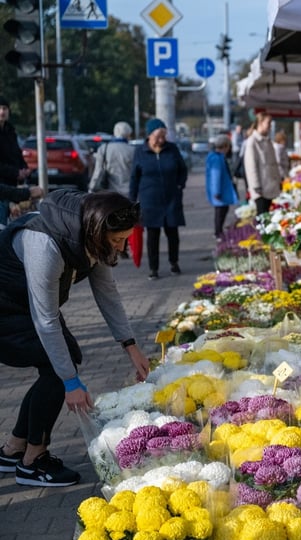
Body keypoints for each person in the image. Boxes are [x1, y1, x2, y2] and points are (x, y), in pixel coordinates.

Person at [0, 189, 150, 487]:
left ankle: (13, 449)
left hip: (25, 304)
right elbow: (45, 321)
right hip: (6, 307)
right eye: (117, 240)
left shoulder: (93, 236)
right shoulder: (45, 245)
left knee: (63, 360)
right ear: (97, 232)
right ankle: (33, 462)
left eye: (125, 239)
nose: (121, 247)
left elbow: (107, 293)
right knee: (59, 369)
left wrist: (131, 346)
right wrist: (70, 382)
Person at [129, 118, 188, 280]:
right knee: (152, 235)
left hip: (171, 198)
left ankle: (174, 262)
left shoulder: (172, 149)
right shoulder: (140, 152)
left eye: (163, 136)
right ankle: (153, 268)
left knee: (172, 233)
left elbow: (182, 170)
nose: (161, 140)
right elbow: (134, 177)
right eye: (158, 136)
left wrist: (180, 185)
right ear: (149, 135)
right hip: (150, 200)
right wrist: (132, 199)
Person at [0, 97, 31, 225]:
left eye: (4, 108)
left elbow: (16, 153)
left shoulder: (10, 131)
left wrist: (24, 168)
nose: (2, 112)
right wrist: (16, 173)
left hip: (11, 186)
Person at [243, 112, 280, 216]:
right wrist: (256, 186)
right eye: (268, 123)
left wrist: (278, 181)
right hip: (260, 189)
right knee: (262, 217)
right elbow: (251, 166)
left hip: (270, 186)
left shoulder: (268, 141)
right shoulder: (252, 142)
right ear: (260, 122)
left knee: (267, 216)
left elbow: (274, 164)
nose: (270, 126)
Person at [88, 121, 135, 197]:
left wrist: (91, 189)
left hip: (110, 194)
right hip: (129, 194)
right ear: (128, 134)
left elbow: (98, 172)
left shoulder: (104, 149)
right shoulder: (133, 150)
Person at [205, 134, 238, 241]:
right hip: (220, 190)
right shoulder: (217, 159)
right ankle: (218, 233)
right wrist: (216, 191)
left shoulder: (215, 157)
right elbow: (216, 175)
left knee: (221, 211)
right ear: (224, 146)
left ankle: (218, 232)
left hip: (221, 189)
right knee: (220, 212)